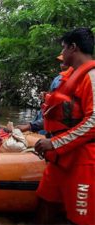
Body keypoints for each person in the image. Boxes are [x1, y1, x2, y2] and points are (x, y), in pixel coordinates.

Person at [34, 28, 95, 224]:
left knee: (80, 218)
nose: (62, 54)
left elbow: (94, 121)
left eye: (64, 48)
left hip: (83, 159)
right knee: (44, 202)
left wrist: (55, 143)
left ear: (73, 47)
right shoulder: (70, 76)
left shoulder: (91, 77)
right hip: (61, 157)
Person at [16, 55, 69, 134]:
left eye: (64, 62)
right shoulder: (57, 78)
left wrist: (30, 126)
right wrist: (45, 95)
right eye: (61, 62)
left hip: (54, 122)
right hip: (45, 115)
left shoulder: (71, 81)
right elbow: (51, 95)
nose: (62, 65)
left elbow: (61, 110)